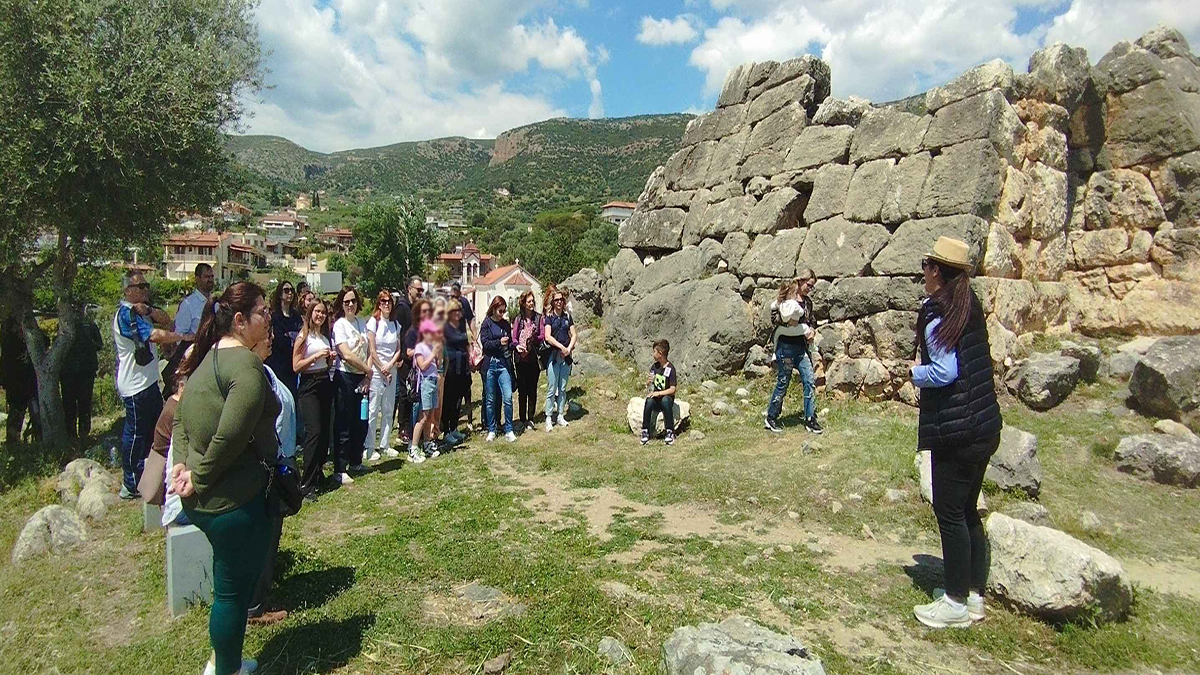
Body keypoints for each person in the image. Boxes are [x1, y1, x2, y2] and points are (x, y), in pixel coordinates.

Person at [168, 281, 278, 675]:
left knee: (226, 587)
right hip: (232, 501)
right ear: (239, 320)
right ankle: (226, 669)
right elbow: (231, 433)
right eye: (262, 312)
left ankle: (221, 658)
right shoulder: (246, 366)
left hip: (206, 498)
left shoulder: (205, 358)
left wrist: (181, 465)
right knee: (231, 594)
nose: (268, 318)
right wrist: (199, 475)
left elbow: (180, 416)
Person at [910, 237, 1003, 630]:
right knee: (967, 512)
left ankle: (954, 602)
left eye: (926, 266)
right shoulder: (968, 303)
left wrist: (915, 373)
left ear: (936, 271)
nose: (924, 273)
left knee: (949, 513)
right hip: (984, 423)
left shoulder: (937, 313)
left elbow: (945, 372)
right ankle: (974, 595)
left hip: (957, 429)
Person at [114, 271, 183, 499]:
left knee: (154, 431)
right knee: (135, 435)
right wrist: (183, 337)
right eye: (140, 287)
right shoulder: (125, 314)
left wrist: (150, 310)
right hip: (135, 385)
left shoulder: (141, 311)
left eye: (146, 286)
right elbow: (155, 335)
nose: (145, 290)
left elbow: (164, 319)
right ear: (128, 291)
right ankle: (130, 482)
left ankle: (149, 477)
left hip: (148, 381)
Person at [248, 326, 294, 628]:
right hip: (264, 467)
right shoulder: (250, 377)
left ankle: (258, 593)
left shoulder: (261, 371)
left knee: (270, 533)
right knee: (263, 533)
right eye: (266, 334)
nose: (272, 339)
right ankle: (254, 605)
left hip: (273, 461)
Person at [764, 271, 821, 435]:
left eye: (812, 287)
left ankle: (811, 419)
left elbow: (812, 322)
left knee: (809, 380)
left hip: (802, 348)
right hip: (786, 347)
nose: (810, 289)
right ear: (801, 281)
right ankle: (772, 416)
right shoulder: (785, 299)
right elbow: (774, 318)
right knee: (783, 381)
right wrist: (789, 322)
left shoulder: (808, 303)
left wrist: (811, 331)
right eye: (809, 285)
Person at [293, 299, 335, 499]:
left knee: (325, 432)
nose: (320, 315)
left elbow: (324, 363)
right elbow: (296, 365)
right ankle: (306, 483)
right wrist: (315, 356)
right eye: (317, 312)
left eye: (323, 313)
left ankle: (318, 473)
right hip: (309, 385)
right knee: (314, 432)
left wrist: (328, 359)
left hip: (324, 381)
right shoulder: (304, 336)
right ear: (310, 314)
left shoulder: (324, 336)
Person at [331, 286, 372, 485]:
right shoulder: (340, 325)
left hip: (362, 378)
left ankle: (356, 461)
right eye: (346, 301)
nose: (350, 305)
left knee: (361, 421)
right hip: (346, 377)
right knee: (344, 422)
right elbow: (346, 354)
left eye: (353, 301)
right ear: (341, 304)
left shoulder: (361, 323)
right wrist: (367, 369)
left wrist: (367, 374)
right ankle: (340, 467)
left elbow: (370, 350)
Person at [165, 262, 215, 397]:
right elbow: (179, 335)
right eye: (207, 277)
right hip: (193, 356)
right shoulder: (188, 304)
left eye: (212, 276)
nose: (210, 280)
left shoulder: (215, 303)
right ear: (197, 279)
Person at [365, 290, 402, 461]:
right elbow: (372, 349)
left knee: (388, 410)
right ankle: (369, 447)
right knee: (373, 410)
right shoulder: (374, 322)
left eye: (389, 301)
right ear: (378, 304)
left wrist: (390, 365)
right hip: (377, 372)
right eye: (383, 301)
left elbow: (398, 349)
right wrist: (381, 368)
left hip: (391, 371)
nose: (386, 304)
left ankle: (385, 444)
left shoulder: (395, 325)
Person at [60, 304, 104, 446]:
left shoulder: (64, 327)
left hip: (71, 372)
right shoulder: (89, 325)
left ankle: (72, 434)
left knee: (70, 404)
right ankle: (83, 434)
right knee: (83, 403)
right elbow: (99, 345)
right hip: (83, 371)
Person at [479, 296, 516, 442]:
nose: (502, 314)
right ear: (494, 309)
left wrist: (515, 346)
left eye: (504, 311)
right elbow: (485, 344)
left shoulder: (506, 325)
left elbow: (510, 343)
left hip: (503, 364)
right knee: (490, 399)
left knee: (507, 397)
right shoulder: (486, 324)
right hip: (490, 364)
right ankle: (492, 429)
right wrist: (499, 342)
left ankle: (509, 429)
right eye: (500, 311)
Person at [542, 288, 577, 432]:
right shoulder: (549, 317)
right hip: (554, 356)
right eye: (556, 300)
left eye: (560, 300)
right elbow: (547, 336)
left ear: (563, 301)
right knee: (552, 387)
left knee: (562, 387)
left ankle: (560, 414)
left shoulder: (567, 316)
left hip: (565, 356)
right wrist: (561, 347)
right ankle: (549, 416)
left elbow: (574, 334)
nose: (558, 302)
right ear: (553, 301)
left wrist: (568, 349)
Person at [393, 278, 423, 443]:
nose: (420, 293)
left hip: (415, 355)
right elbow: (397, 333)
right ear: (410, 289)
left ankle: (410, 426)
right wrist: (399, 355)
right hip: (404, 356)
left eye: (421, 291)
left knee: (413, 392)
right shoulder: (402, 308)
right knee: (404, 393)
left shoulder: (415, 308)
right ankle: (403, 427)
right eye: (418, 290)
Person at [409, 320, 443, 461]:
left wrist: (438, 353)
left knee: (430, 415)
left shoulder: (431, 347)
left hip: (434, 381)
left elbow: (438, 364)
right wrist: (433, 353)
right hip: (425, 382)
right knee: (422, 417)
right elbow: (422, 365)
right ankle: (414, 447)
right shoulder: (420, 347)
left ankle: (427, 443)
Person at [2, 322, 40, 444]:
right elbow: (4, 366)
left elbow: (45, 340)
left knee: (36, 414)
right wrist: (5, 383)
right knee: (16, 414)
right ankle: (13, 442)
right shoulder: (9, 344)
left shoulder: (32, 339)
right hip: (16, 386)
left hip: (31, 384)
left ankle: (39, 440)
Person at [402, 299, 433, 448]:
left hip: (429, 374)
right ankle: (412, 442)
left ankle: (425, 441)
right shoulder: (414, 331)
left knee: (427, 410)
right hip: (417, 375)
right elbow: (408, 351)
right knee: (417, 409)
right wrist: (423, 348)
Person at [511, 291, 543, 433]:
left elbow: (542, 336)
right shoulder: (518, 319)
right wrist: (518, 345)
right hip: (520, 359)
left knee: (532, 389)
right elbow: (514, 338)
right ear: (523, 303)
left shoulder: (539, 318)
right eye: (529, 301)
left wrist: (533, 337)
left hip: (533, 358)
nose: (531, 304)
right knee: (522, 389)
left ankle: (530, 418)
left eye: (532, 301)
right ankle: (522, 418)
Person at [441, 300, 471, 445]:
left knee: (458, 400)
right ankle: (445, 430)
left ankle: (454, 428)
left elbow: (466, 344)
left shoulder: (460, 326)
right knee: (449, 400)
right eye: (456, 311)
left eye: (460, 311)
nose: (459, 313)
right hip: (450, 367)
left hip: (462, 366)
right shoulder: (445, 327)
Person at [266, 281, 302, 399]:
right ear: (280, 294)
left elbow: (302, 336)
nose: (290, 293)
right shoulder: (275, 316)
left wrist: (290, 337)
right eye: (286, 290)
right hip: (278, 363)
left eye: (291, 290)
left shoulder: (296, 316)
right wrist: (292, 338)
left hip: (293, 364)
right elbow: (279, 340)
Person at [641, 339, 678, 446]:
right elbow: (650, 385)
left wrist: (659, 393)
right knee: (648, 401)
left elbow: (672, 389)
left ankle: (670, 431)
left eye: (654, 352)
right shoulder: (654, 367)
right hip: (656, 399)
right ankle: (645, 430)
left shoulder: (671, 369)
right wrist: (648, 382)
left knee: (666, 400)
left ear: (660, 353)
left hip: (666, 399)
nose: (653, 354)